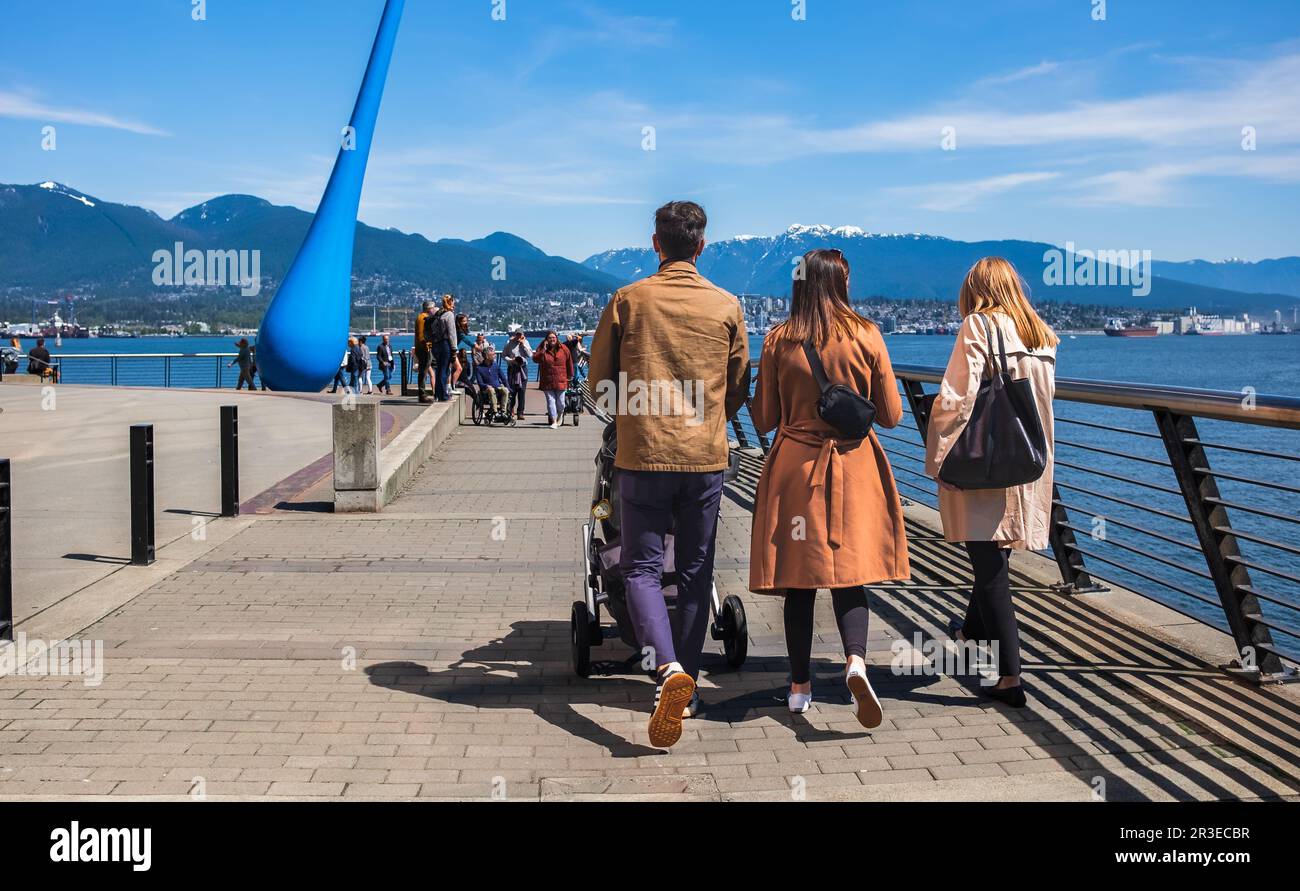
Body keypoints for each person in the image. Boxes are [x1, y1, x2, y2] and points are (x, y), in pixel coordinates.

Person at [589, 200, 750, 748]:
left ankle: (667, 671)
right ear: (701, 246)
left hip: (642, 455)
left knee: (641, 567)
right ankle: (691, 680)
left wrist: (633, 414)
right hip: (705, 458)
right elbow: (738, 389)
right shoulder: (727, 305)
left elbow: (598, 384)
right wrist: (706, 421)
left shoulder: (628, 300)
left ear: (655, 243)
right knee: (697, 569)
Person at [748, 249, 909, 726]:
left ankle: (799, 688)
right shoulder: (867, 334)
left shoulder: (780, 340)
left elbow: (765, 418)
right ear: (841, 282)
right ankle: (856, 661)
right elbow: (894, 415)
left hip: (797, 470)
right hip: (855, 466)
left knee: (800, 581)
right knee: (849, 573)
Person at [924, 257, 1058, 709]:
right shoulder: (1041, 334)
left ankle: (1010, 678)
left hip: (985, 461)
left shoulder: (979, 326)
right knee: (993, 551)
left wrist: (938, 453)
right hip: (1026, 461)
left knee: (990, 565)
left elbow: (956, 399)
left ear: (976, 289)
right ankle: (970, 630)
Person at [532, 331, 573, 429]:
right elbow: (535, 359)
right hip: (548, 379)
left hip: (561, 378)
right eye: (549, 338)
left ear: (557, 338)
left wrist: (571, 375)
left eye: (553, 337)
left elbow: (569, 362)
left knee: (561, 402)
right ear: (546, 339)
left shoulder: (564, 348)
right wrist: (543, 350)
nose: (552, 339)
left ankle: (560, 414)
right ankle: (554, 421)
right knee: (551, 401)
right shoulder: (542, 348)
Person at [430, 295, 457, 402]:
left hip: (436, 344)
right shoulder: (449, 315)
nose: (454, 305)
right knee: (444, 370)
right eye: (453, 302)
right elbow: (452, 333)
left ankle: (437, 394)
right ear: (450, 303)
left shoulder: (439, 314)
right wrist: (454, 348)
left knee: (439, 370)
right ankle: (443, 395)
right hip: (445, 344)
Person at [473, 346, 510, 419]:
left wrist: (508, 388)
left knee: (505, 390)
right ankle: (495, 412)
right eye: (493, 354)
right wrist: (486, 386)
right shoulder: (479, 368)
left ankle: (503, 412)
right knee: (491, 389)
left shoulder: (496, 366)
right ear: (487, 356)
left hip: (498, 388)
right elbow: (480, 383)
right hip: (486, 391)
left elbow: (503, 378)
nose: (495, 355)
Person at [503, 330, 531, 418]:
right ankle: (511, 410)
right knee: (512, 391)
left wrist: (523, 345)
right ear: (515, 335)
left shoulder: (526, 342)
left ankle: (520, 412)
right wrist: (510, 360)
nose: (519, 336)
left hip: (523, 369)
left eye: (520, 334)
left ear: (523, 335)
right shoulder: (509, 342)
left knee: (522, 391)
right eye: (517, 334)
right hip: (512, 368)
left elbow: (530, 355)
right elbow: (504, 355)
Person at [414, 300, 436, 403]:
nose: (434, 310)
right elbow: (421, 335)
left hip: (423, 347)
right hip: (424, 348)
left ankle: (422, 393)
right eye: (433, 308)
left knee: (425, 370)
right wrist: (426, 346)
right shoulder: (423, 318)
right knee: (423, 371)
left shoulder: (422, 317)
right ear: (429, 308)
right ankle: (422, 394)